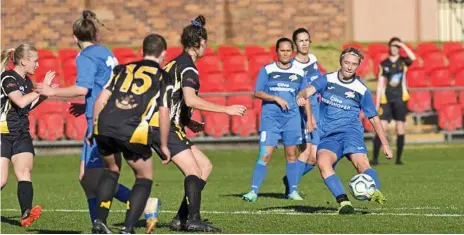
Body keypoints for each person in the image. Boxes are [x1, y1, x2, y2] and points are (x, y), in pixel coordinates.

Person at [35, 10, 132, 224]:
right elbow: (100, 87)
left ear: (74, 37)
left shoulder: (85, 56)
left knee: (94, 178)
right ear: (95, 34)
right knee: (88, 177)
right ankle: (100, 223)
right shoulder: (105, 52)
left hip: (99, 122)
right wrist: (85, 105)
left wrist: (51, 92)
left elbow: (82, 87)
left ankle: (137, 201)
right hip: (113, 117)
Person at [151, 15, 246, 233]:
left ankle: (180, 219)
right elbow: (190, 99)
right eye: (206, 43)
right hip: (162, 126)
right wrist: (226, 109)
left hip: (166, 124)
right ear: (199, 43)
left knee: (205, 166)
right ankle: (193, 219)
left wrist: (187, 121)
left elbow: (172, 97)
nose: (206, 47)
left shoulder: (176, 62)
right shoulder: (188, 67)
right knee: (193, 170)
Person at [89, 33, 171, 234]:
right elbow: (164, 112)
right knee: (144, 177)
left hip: (105, 124)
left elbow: (100, 100)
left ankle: (99, 221)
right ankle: (128, 228)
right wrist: (164, 145)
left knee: (111, 171)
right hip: (132, 128)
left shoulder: (121, 69)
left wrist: (94, 128)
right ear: (164, 55)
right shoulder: (163, 76)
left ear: (141, 51)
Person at [296, 47, 393, 214]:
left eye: (354, 64)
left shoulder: (361, 89)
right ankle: (344, 202)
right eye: (347, 62)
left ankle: (374, 190)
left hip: (351, 133)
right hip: (329, 135)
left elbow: (374, 118)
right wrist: (301, 95)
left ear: (358, 66)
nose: (349, 67)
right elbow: (308, 90)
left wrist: (385, 144)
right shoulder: (327, 79)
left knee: (361, 163)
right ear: (340, 62)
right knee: (323, 162)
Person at [242, 37, 310, 202]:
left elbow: (304, 95)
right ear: (277, 51)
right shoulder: (267, 69)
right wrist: (275, 98)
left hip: (292, 119)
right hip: (271, 118)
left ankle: (292, 191)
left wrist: (308, 118)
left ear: (292, 52)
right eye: (282, 50)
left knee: (291, 155)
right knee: (265, 155)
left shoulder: (299, 72)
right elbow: (257, 92)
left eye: (288, 50)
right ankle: (253, 191)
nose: (285, 53)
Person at [1, 44, 56, 227]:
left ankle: (26, 215)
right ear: (23, 61)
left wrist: (44, 95)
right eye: (35, 61)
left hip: (21, 132)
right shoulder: (8, 77)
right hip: (3, 132)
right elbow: (19, 100)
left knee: (24, 172)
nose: (37, 65)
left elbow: (26, 106)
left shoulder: (27, 82)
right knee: (1, 179)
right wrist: (39, 90)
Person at [282, 28, 322, 197]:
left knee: (313, 158)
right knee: (307, 154)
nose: (304, 44)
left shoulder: (313, 59)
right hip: (302, 115)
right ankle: (292, 187)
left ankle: (289, 180)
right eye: (300, 41)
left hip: (318, 111)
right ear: (295, 44)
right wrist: (309, 117)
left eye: (307, 40)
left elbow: (319, 82)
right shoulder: (293, 67)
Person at [372, 37, 416, 165]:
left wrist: (403, 44)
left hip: (401, 99)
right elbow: (380, 84)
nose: (394, 48)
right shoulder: (384, 64)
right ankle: (375, 158)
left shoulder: (403, 62)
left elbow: (413, 58)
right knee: (381, 128)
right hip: (386, 99)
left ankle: (398, 159)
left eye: (397, 46)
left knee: (400, 129)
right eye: (393, 46)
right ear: (389, 47)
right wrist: (377, 103)